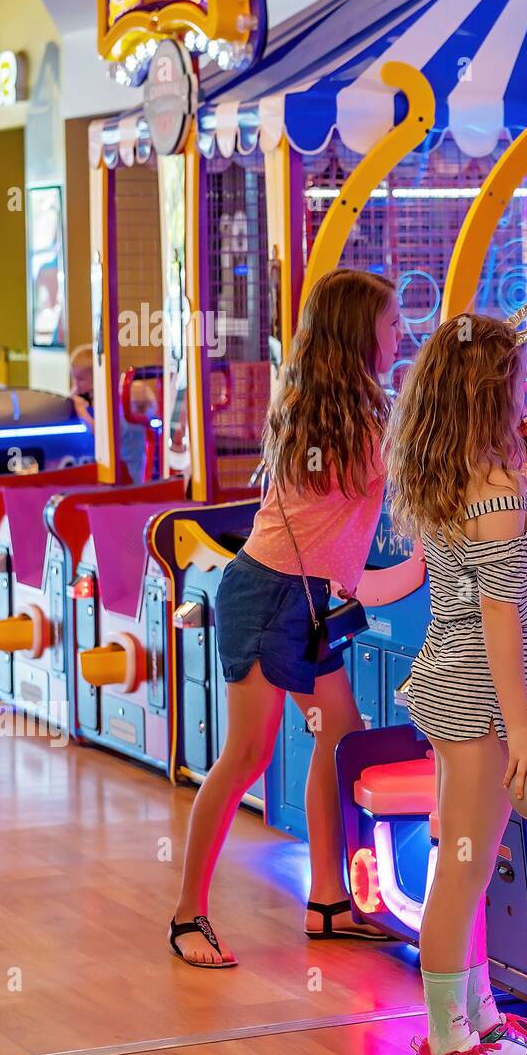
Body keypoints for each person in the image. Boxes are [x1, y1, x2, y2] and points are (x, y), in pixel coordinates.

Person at [168, 268, 424, 967]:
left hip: (301, 600)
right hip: (270, 596)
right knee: (247, 754)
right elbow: (432, 470)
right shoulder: (357, 425)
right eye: (391, 322)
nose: (399, 332)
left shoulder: (340, 408)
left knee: (343, 738)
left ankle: (328, 901)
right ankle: (188, 916)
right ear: (357, 332)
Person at [385, 308, 527, 1055]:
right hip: (478, 702)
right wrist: (526, 733)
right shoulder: (494, 490)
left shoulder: (459, 469)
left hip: (453, 685)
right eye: (520, 384)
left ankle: (476, 1024)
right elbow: (503, 616)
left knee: (463, 873)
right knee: (463, 874)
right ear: (491, 395)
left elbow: (498, 512)